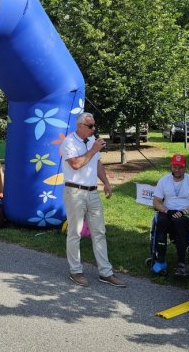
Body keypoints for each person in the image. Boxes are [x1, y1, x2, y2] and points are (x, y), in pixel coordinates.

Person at [60, 112, 125, 287]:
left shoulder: (91, 141)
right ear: (80, 126)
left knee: (99, 232)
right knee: (75, 232)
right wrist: (93, 149)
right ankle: (75, 271)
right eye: (90, 126)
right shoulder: (69, 142)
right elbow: (76, 164)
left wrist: (106, 182)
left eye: (94, 126)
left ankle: (105, 272)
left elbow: (97, 163)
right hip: (75, 191)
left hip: (92, 192)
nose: (93, 129)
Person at [151, 154, 189, 276]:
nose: (177, 170)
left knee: (181, 222)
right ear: (171, 166)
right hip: (168, 211)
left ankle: (181, 262)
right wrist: (166, 211)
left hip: (187, 213)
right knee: (162, 222)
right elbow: (156, 202)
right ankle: (161, 260)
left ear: (185, 167)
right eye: (175, 167)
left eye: (180, 167)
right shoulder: (164, 180)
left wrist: (184, 212)